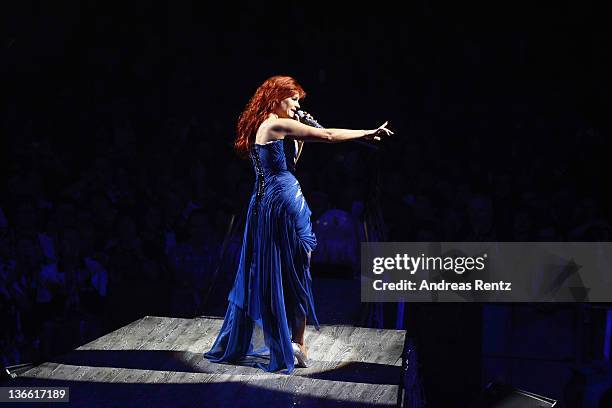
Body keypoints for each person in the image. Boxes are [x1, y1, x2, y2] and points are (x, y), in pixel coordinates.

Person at [204, 75, 393, 373]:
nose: (296, 106)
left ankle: (293, 341)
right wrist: (366, 133)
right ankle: (295, 343)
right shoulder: (275, 124)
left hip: (268, 201)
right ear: (276, 98)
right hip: (283, 202)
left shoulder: (268, 125)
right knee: (295, 270)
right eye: (292, 99)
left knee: (286, 268)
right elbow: (328, 136)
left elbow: (292, 159)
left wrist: (304, 132)